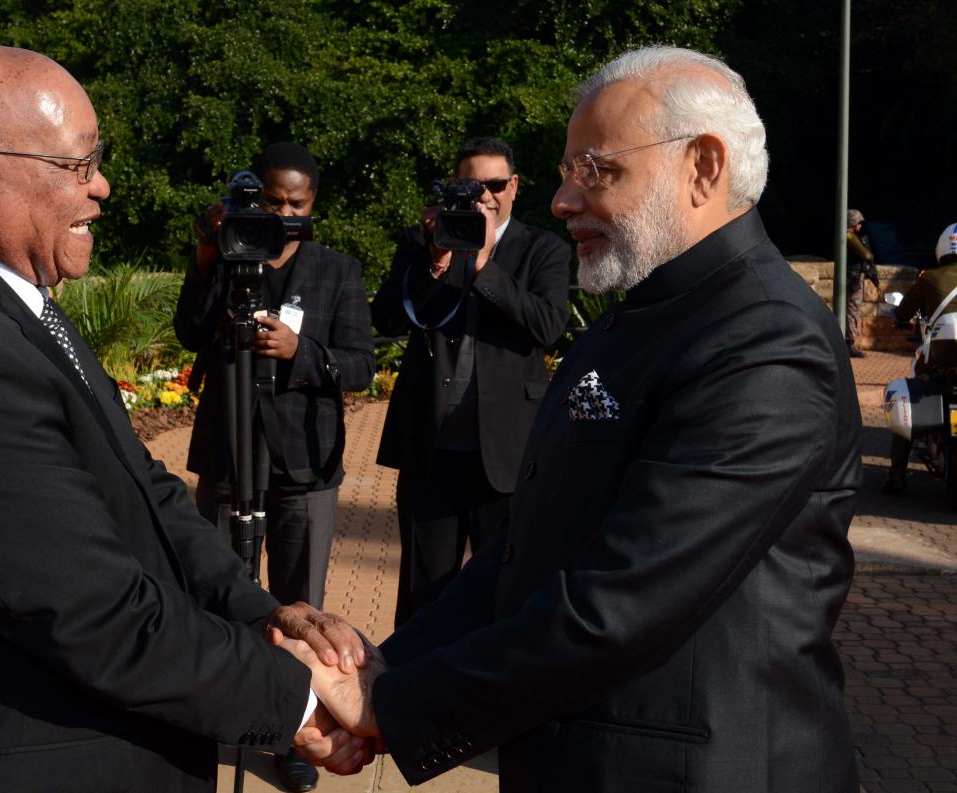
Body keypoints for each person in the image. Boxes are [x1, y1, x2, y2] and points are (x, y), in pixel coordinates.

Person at [291, 45, 863, 793]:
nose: (561, 201)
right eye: (566, 172)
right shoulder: (640, 316)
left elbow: (620, 601)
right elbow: (525, 550)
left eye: (597, 170)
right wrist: (388, 664)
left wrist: (389, 704)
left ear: (703, 166)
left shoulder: (768, 344)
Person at [0, 40, 366, 793]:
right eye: (76, 164)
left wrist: (264, 613)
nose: (101, 186)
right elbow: (96, 612)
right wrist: (296, 697)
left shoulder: (4, 301)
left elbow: (146, 490)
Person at [173, 141, 374, 790]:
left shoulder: (336, 270)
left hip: (304, 463)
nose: (284, 213)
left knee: (299, 607)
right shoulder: (228, 259)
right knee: (220, 599)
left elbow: (362, 366)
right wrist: (207, 257)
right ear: (251, 196)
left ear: (313, 205)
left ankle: (295, 728)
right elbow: (188, 331)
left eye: (298, 203)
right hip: (229, 457)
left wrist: (300, 350)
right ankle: (218, 714)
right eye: (273, 200)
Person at [369, 137, 570, 626]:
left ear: (514, 186)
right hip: (431, 450)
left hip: (505, 454)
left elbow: (547, 325)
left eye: (496, 184)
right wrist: (436, 259)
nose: (485, 195)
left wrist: (482, 263)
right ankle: (411, 695)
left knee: (504, 594)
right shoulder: (422, 242)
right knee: (423, 597)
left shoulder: (543, 248)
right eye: (472, 184)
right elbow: (388, 319)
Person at [881, 222, 957, 494]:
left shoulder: (929, 278)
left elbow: (904, 310)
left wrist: (900, 318)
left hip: (939, 363)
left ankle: (896, 477)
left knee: (908, 398)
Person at [845, 208, 880, 358]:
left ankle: (848, 342)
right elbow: (866, 255)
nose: (860, 226)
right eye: (857, 223)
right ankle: (848, 343)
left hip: (853, 278)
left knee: (852, 310)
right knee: (852, 311)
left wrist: (873, 276)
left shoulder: (857, 237)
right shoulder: (849, 236)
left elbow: (868, 259)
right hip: (851, 279)